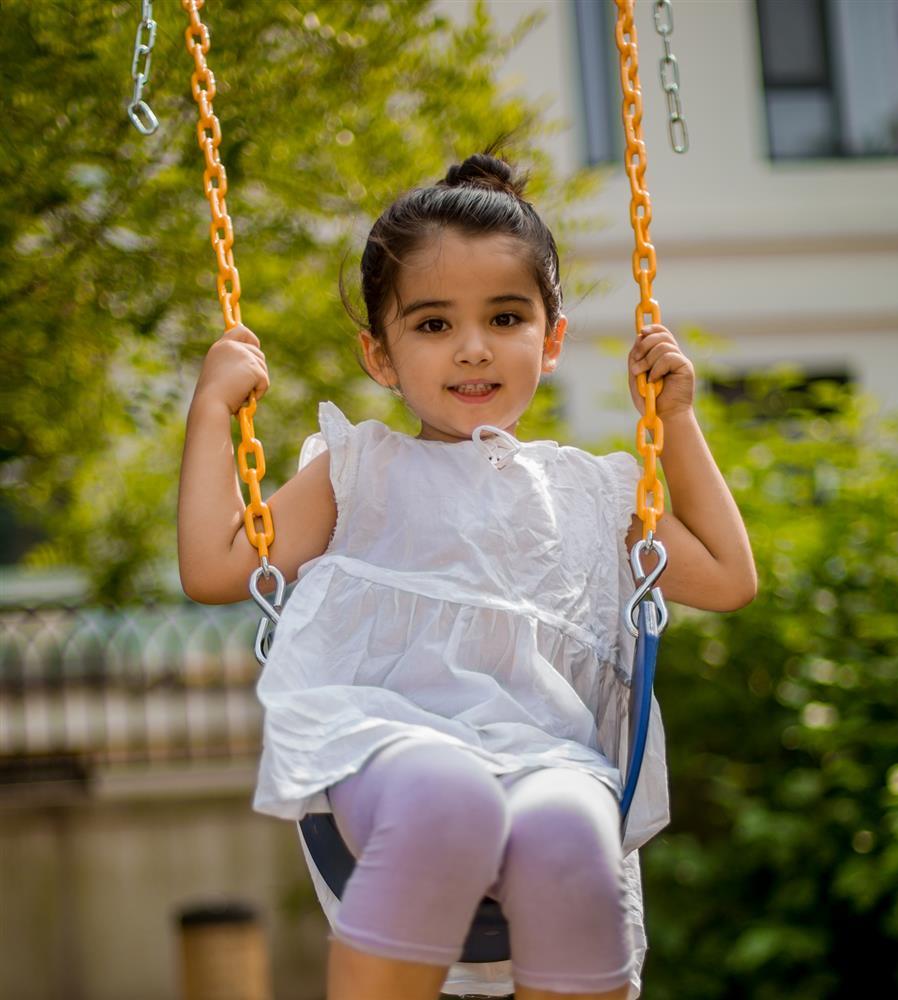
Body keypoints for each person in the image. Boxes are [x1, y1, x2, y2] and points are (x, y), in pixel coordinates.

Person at [178, 152, 756, 1000]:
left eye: (507, 317)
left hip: (546, 757)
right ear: (381, 355)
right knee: (448, 798)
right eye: (434, 325)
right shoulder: (357, 472)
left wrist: (677, 422)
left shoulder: (589, 493)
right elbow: (218, 563)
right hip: (390, 743)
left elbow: (726, 575)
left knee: (572, 829)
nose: (474, 348)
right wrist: (210, 411)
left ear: (550, 339)